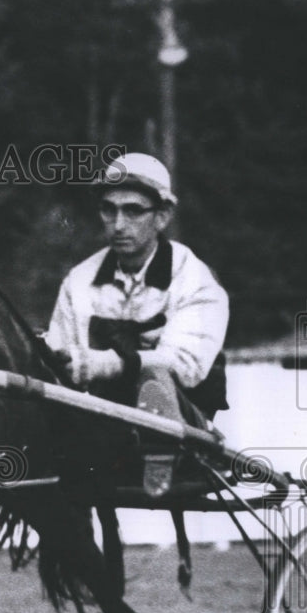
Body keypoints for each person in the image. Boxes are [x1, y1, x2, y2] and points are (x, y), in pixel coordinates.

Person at [44, 152, 229, 496]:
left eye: (132, 210)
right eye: (108, 209)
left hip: (185, 427)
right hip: (101, 421)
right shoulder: (79, 280)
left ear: (163, 216)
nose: (117, 224)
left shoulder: (194, 279)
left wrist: (103, 362)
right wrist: (59, 357)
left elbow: (185, 366)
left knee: (155, 377)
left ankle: (160, 455)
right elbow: (62, 352)